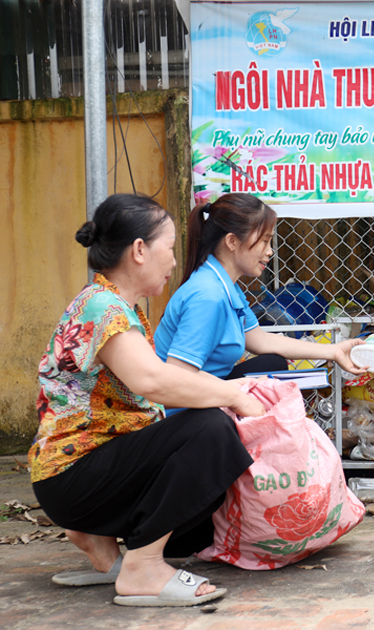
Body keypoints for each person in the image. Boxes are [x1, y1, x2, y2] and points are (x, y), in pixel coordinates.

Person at [29, 194, 267, 607]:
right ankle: (144, 568)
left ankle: (106, 553)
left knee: (204, 509)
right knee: (211, 428)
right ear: (139, 250)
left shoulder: (110, 304)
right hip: (73, 477)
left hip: (72, 476)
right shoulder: (103, 307)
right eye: (170, 249)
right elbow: (154, 380)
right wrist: (234, 395)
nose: (175, 262)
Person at [154, 193, 365, 400]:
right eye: (264, 241)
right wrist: (234, 393)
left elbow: (260, 340)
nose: (270, 251)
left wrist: (334, 351)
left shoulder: (226, 285)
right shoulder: (208, 296)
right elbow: (178, 375)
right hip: (180, 408)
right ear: (232, 242)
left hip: (205, 392)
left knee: (273, 364)